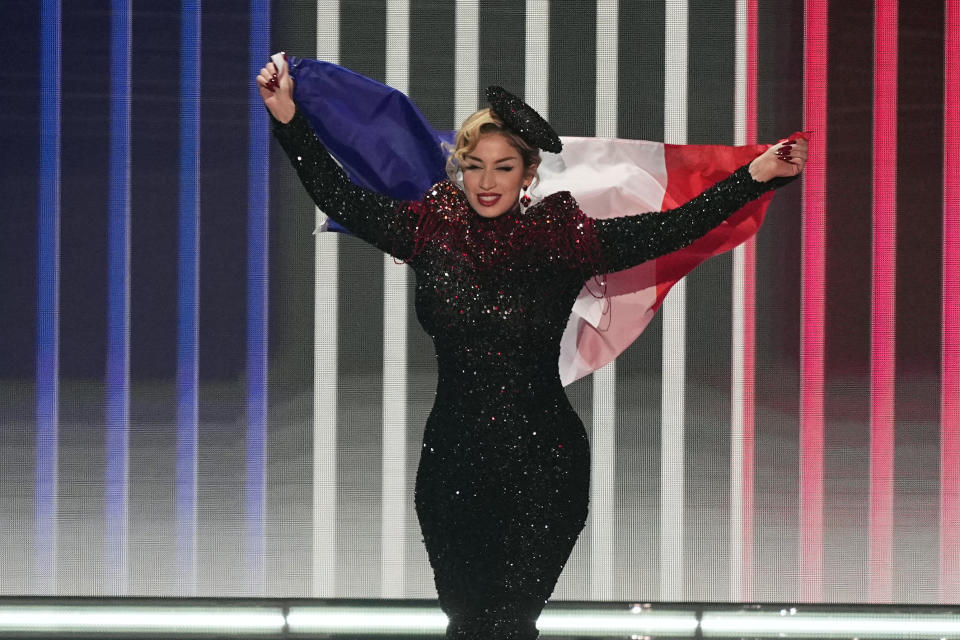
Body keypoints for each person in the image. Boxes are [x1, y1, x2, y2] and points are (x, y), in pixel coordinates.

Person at [258, 57, 806, 640]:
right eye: (474, 167)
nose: (486, 182)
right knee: (468, 623)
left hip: (543, 466)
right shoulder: (427, 230)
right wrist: (288, 117)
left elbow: (672, 227)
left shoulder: (564, 239)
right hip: (453, 466)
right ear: (460, 169)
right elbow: (339, 196)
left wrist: (755, 175)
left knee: (509, 623)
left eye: (502, 167)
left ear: (528, 174)